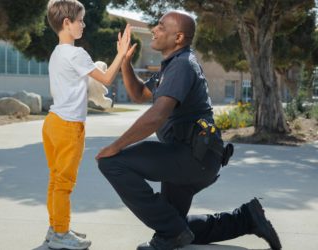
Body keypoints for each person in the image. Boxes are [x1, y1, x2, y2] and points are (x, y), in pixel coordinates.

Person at [96, 11, 282, 250]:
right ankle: (246, 219)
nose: (154, 29)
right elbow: (139, 94)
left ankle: (172, 233)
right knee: (176, 223)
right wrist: (125, 62)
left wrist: (115, 146)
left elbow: (157, 115)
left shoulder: (183, 65)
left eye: (161, 27)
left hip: (193, 156)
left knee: (112, 162)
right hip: (194, 155)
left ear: (179, 37)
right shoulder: (172, 66)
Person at [42, 0, 131, 249]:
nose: (83, 24)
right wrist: (121, 54)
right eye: (80, 20)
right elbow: (106, 77)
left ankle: (56, 228)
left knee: (55, 180)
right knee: (64, 183)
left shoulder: (57, 53)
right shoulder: (76, 53)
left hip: (52, 123)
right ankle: (60, 234)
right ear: (67, 23)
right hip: (69, 126)